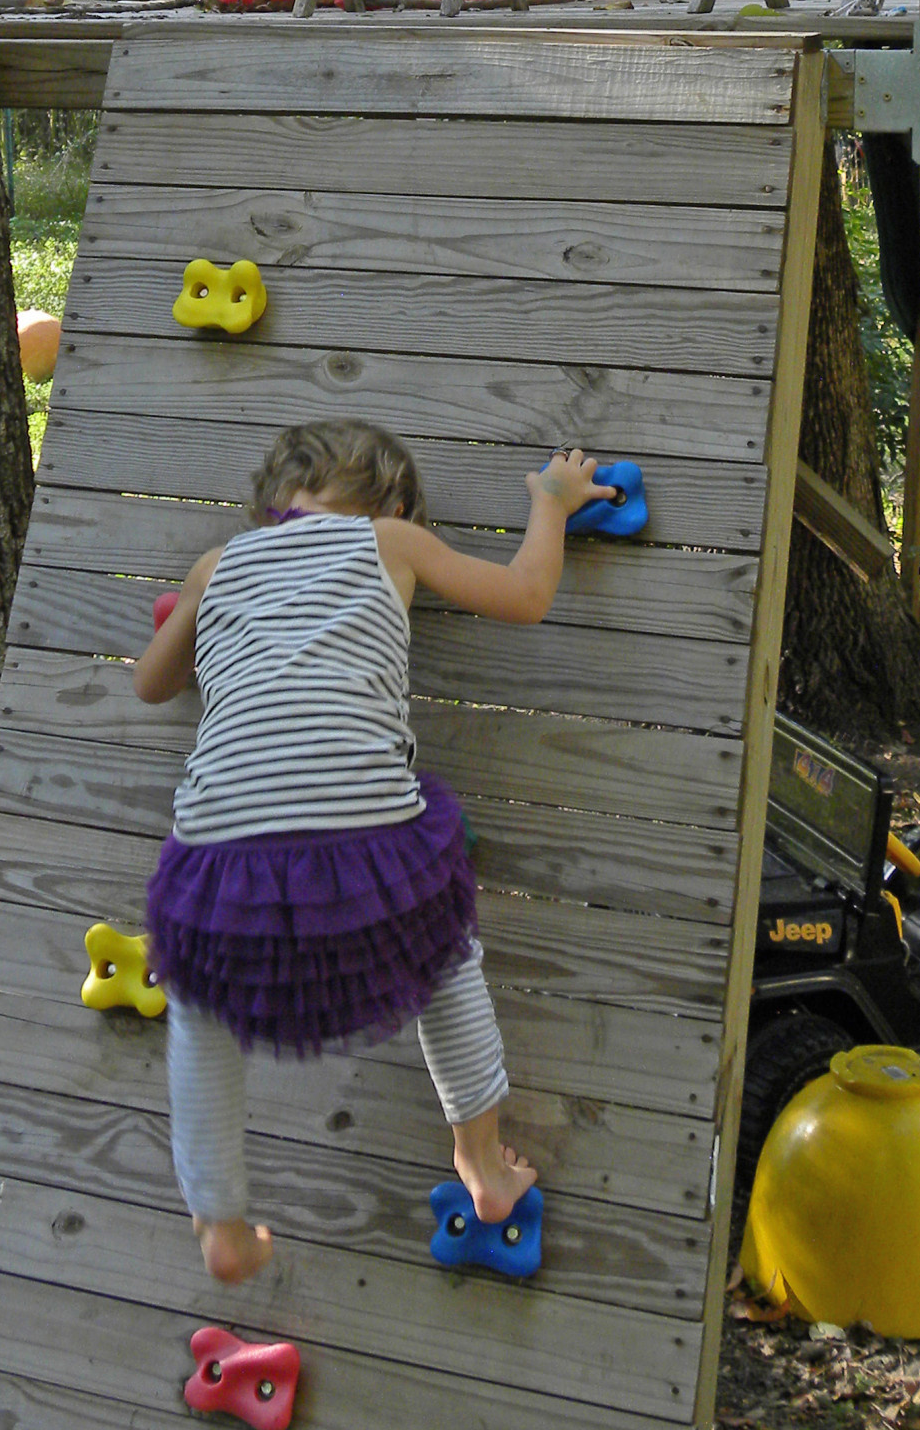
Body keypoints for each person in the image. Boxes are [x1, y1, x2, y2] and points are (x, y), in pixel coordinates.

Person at [132, 418, 613, 1284]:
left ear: (273, 502)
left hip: (217, 862)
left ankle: (221, 1223)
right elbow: (526, 594)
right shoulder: (391, 539)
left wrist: (193, 621)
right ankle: (482, 1162)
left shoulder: (218, 564)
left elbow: (151, 683)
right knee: (442, 947)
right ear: (391, 499)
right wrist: (550, 503)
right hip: (365, 843)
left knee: (198, 1008)